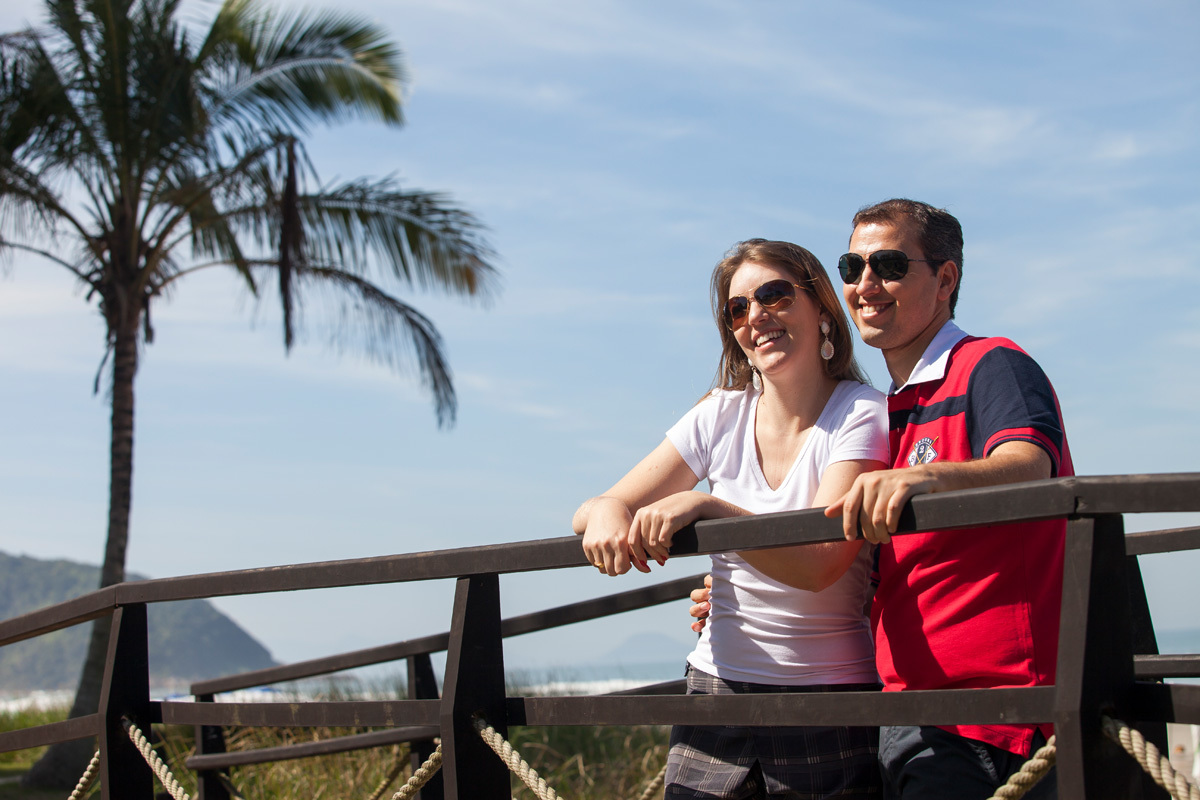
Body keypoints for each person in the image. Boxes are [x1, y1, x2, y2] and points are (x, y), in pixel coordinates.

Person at [692, 200, 1071, 799]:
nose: (866, 285)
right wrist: (741, 577)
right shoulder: (885, 410)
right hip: (904, 707)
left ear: (945, 279)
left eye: (890, 265)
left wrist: (924, 477)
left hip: (995, 714)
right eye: (852, 266)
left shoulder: (990, 364)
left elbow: (1030, 464)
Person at [574, 239, 890, 799]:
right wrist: (606, 514)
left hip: (827, 702)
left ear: (822, 309)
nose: (756, 316)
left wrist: (711, 507)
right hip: (713, 693)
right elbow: (601, 505)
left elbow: (822, 564)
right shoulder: (720, 413)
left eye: (774, 295)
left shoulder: (861, 412)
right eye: (737, 308)